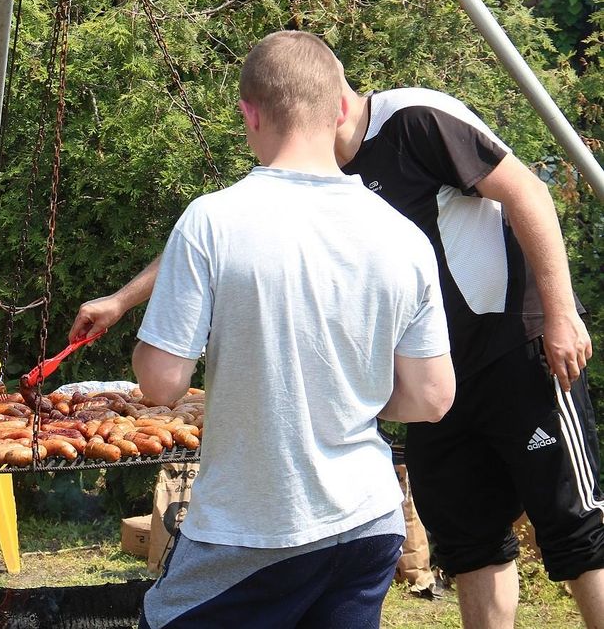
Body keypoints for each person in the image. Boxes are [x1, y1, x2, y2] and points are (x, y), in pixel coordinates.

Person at [73, 32, 604, 628]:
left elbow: (529, 190)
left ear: (334, 108)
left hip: (518, 348)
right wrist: (122, 299)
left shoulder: (416, 120)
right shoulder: (346, 195)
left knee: (575, 528)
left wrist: (561, 315)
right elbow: (233, 236)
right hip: (430, 380)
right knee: (468, 539)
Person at [131, 31, 455, 627]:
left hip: (253, 528)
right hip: (368, 524)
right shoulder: (405, 237)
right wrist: (342, 393)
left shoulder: (212, 221)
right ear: (338, 109)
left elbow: (161, 382)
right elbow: (433, 398)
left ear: (248, 114)